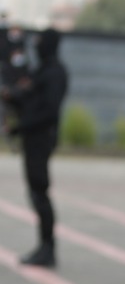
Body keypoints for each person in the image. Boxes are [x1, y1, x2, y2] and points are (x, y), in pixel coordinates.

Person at [6, 28, 68, 267]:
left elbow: (48, 111)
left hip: (41, 138)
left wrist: (19, 128)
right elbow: (29, 97)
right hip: (33, 138)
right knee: (36, 192)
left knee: (40, 192)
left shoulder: (54, 73)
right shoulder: (42, 71)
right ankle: (45, 246)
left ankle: (48, 247)